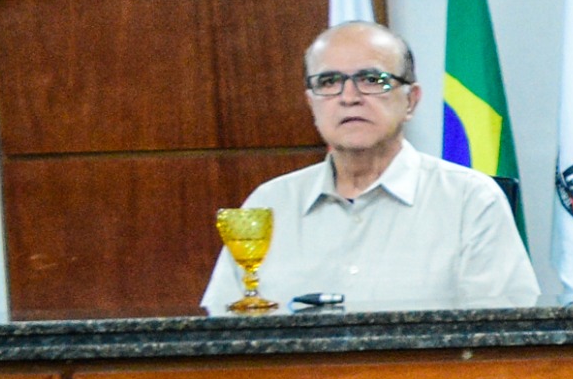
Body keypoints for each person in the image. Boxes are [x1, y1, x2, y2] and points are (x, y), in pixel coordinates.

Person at [201, 21, 539, 313]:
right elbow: (224, 332)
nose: (349, 97)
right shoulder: (270, 204)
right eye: (328, 81)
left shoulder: (470, 201)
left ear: (411, 100)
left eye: (372, 79)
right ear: (311, 103)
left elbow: (501, 339)